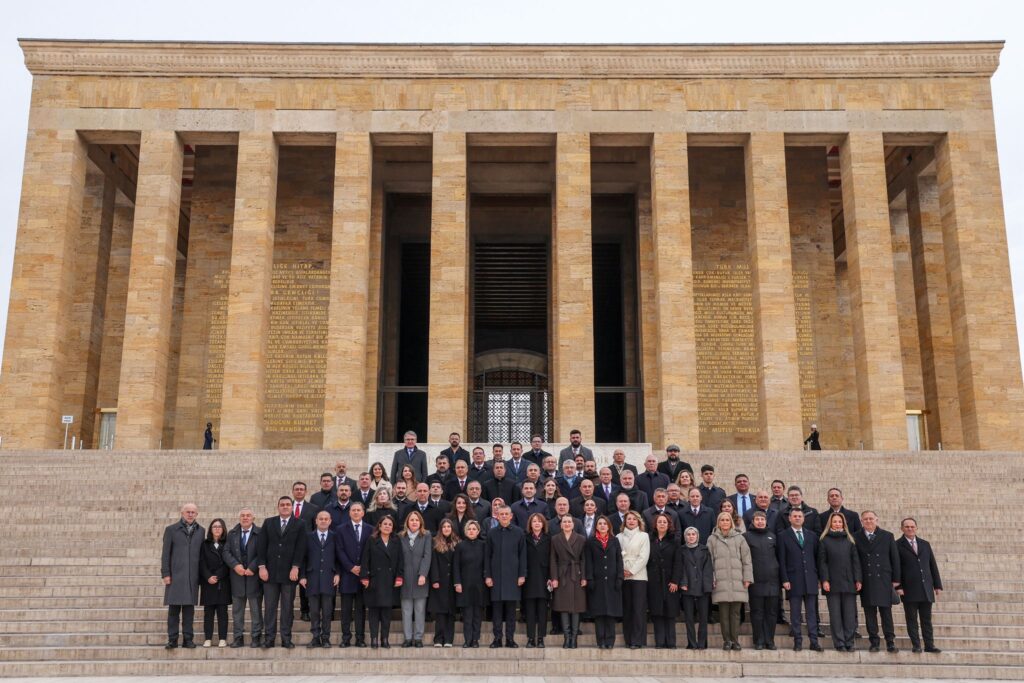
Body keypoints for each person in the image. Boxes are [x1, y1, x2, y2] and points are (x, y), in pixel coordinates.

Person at [257, 496, 305, 649]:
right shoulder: (268, 522)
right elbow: (261, 546)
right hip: (269, 573)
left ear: (292, 507)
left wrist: (296, 567)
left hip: (289, 574)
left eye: (287, 504)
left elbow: (301, 547)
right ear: (278, 507)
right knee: (270, 608)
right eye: (282, 505)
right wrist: (262, 567)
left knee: (287, 608)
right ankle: (269, 638)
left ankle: (286, 638)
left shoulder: (300, 524)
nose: (285, 507)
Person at [777, 507, 823, 652]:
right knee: (795, 613)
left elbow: (817, 558)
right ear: (789, 518)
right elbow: (782, 560)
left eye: (800, 516)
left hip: (811, 579)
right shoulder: (783, 536)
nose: (797, 518)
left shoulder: (812, 536)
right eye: (795, 516)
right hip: (793, 580)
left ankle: (814, 641)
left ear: (803, 519)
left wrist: (819, 578)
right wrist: (784, 579)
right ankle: (798, 641)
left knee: (811, 613)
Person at [854, 510, 901, 653]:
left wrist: (896, 579)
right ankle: (874, 642)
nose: (868, 521)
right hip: (866, 580)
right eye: (865, 519)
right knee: (870, 614)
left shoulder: (887, 535)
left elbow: (895, 558)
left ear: (876, 520)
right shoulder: (855, 536)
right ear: (861, 521)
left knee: (886, 613)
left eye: (871, 518)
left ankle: (890, 641)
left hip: (884, 579)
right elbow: (855, 560)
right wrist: (857, 579)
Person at [708, 511, 753, 651]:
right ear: (718, 522)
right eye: (722, 520)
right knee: (723, 614)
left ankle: (735, 640)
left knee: (735, 613)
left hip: (737, 580)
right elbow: (709, 561)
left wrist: (747, 578)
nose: (725, 522)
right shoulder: (712, 539)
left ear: (731, 522)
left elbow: (747, 560)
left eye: (727, 520)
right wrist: (712, 578)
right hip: (720, 581)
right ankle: (726, 640)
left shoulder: (740, 538)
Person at [896, 517, 943, 654]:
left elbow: (932, 565)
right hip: (908, 589)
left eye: (912, 526)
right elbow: (896, 567)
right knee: (912, 620)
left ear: (916, 528)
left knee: (926, 619)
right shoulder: (897, 545)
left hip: (926, 588)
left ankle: (929, 645)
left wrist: (937, 585)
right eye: (907, 527)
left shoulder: (925, 544)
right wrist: (898, 586)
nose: (910, 529)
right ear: (902, 528)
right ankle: (916, 645)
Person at [484, 505, 527, 648]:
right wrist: (488, 576)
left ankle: (510, 639)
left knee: (511, 612)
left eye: (506, 514)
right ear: (497, 516)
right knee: (496, 612)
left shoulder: (519, 532)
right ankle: (497, 639)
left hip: (513, 577)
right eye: (501, 514)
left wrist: (522, 575)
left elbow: (523, 555)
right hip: (496, 577)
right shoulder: (491, 533)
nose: (503, 516)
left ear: (511, 516)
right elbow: (487, 556)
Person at [818, 511, 862, 652]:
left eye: (839, 522)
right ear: (830, 524)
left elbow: (856, 561)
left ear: (843, 524)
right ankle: (839, 643)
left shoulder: (850, 540)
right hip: (832, 583)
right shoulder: (824, 540)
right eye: (835, 522)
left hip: (849, 582)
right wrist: (825, 580)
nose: (837, 524)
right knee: (835, 615)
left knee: (849, 615)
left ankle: (849, 642)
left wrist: (858, 579)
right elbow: (822, 562)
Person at [162, 504, 203, 649]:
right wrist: (165, 573)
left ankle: (188, 639)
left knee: (189, 611)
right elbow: (165, 554)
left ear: (196, 514)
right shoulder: (171, 530)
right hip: (176, 576)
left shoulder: (201, 531)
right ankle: (172, 639)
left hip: (192, 577)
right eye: (188, 512)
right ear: (182, 513)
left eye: (193, 512)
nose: (190, 514)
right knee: (173, 610)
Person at [361, 515, 403, 648]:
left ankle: (385, 638)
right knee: (373, 612)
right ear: (379, 526)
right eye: (385, 524)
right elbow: (365, 559)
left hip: (390, 581)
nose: (387, 526)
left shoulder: (396, 540)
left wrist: (399, 577)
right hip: (374, 580)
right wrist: (364, 577)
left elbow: (400, 561)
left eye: (390, 524)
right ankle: (374, 638)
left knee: (386, 612)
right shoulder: (372, 540)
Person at [299, 511, 340, 648]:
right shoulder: (308, 536)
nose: (323, 521)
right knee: (314, 611)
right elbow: (303, 558)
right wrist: (302, 576)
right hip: (312, 578)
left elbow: (338, 557)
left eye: (326, 519)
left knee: (327, 611)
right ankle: (315, 637)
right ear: (316, 521)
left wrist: (337, 573)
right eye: (320, 519)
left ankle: (326, 638)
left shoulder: (335, 536)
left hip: (329, 578)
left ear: (330, 521)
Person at [223, 508, 263, 648]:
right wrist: (235, 566)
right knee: (237, 611)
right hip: (237, 578)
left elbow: (263, 552)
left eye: (248, 515)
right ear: (239, 518)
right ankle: (238, 637)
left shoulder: (260, 533)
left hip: (254, 578)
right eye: (242, 515)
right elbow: (226, 552)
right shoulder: (232, 533)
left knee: (256, 610)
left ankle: (256, 637)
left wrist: (253, 567)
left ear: (253, 518)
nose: (245, 518)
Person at [335, 502, 372, 648]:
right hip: (347, 575)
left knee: (360, 610)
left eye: (358, 510)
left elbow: (370, 551)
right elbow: (339, 550)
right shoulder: (340, 529)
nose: (356, 512)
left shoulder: (370, 529)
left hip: (363, 576)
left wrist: (363, 568)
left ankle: (360, 638)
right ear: (349, 512)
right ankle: (345, 638)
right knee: (345, 609)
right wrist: (350, 567)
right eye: (353, 510)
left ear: (363, 512)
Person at [550, 514, 588, 649]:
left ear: (573, 524)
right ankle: (566, 638)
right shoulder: (555, 539)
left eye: (569, 522)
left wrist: (584, 577)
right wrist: (554, 578)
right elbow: (553, 560)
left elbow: (584, 560)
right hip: (562, 575)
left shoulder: (581, 539)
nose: (567, 524)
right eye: (564, 522)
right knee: (563, 606)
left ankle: (574, 638)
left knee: (577, 606)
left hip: (576, 574)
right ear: (561, 525)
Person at [744, 510, 780, 650]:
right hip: (755, 581)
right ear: (753, 522)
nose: (760, 522)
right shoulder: (746, 537)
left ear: (766, 521)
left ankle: (770, 641)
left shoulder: (773, 536)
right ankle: (758, 640)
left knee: (771, 613)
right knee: (757, 613)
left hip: (773, 581)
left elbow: (778, 557)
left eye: (762, 519)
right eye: (757, 519)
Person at [646, 513, 681, 649]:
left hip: (670, 580)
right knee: (657, 612)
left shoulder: (675, 540)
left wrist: (675, 581)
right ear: (655, 524)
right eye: (659, 522)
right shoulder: (649, 539)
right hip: (654, 581)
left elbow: (678, 562)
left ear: (668, 525)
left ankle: (671, 642)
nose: (662, 524)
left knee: (670, 612)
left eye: (664, 522)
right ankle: (659, 642)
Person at [398, 510, 432, 648]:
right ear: (407, 522)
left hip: (420, 578)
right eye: (411, 520)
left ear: (420, 522)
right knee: (406, 610)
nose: (414, 522)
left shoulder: (426, 535)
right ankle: (407, 638)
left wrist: (423, 574)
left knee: (419, 609)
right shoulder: (400, 536)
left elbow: (427, 556)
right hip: (405, 578)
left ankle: (418, 638)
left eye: (416, 520)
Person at [618, 510, 650, 649]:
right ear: (625, 522)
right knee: (627, 608)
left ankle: (638, 640)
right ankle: (628, 639)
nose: (631, 521)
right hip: (623, 576)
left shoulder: (644, 536)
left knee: (638, 609)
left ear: (638, 521)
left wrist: (631, 571)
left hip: (639, 576)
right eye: (628, 519)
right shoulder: (619, 537)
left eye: (634, 519)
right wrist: (623, 571)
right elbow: (617, 556)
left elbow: (644, 556)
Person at [453, 520, 486, 647]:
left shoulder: (483, 545)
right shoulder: (460, 546)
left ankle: (475, 640)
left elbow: (486, 564)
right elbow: (456, 566)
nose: (471, 531)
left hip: (480, 585)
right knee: (467, 615)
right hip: (465, 585)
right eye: (469, 529)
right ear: (465, 531)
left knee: (477, 615)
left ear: (478, 531)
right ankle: (467, 640)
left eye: (474, 529)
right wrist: (457, 583)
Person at [199, 517, 230, 648]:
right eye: (214, 526)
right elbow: (201, 562)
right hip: (208, 583)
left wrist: (217, 576)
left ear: (223, 529)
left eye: (219, 526)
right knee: (208, 612)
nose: (217, 529)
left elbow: (228, 562)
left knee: (223, 612)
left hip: (222, 582)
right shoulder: (205, 544)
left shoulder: (227, 543)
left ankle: (222, 638)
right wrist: (208, 576)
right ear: (211, 529)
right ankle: (208, 638)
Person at [680, 526, 713, 650]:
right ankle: (692, 643)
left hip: (702, 588)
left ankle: (702, 643)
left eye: (693, 534)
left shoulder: (704, 549)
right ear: (685, 537)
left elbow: (708, 569)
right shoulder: (681, 550)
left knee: (703, 617)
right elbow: (681, 568)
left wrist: (707, 587)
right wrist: (683, 582)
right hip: (687, 587)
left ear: (697, 536)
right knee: (689, 618)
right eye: (688, 534)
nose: (691, 536)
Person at [522, 513, 551, 648]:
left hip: (544, 578)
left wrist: (550, 577)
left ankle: (540, 638)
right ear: (530, 524)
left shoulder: (549, 538)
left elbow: (552, 559)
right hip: (529, 579)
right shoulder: (525, 538)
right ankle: (530, 638)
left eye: (539, 521)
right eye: (534, 521)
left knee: (542, 611)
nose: (537, 523)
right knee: (530, 611)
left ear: (543, 524)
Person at [428, 518, 459, 647]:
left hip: (452, 582)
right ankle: (438, 639)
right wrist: (435, 579)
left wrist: (457, 582)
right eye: (444, 527)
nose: (446, 529)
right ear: (441, 529)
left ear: (452, 529)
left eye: (449, 526)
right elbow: (433, 562)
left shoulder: (457, 543)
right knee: (440, 612)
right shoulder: (435, 542)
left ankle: (448, 639)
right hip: (440, 581)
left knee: (451, 612)